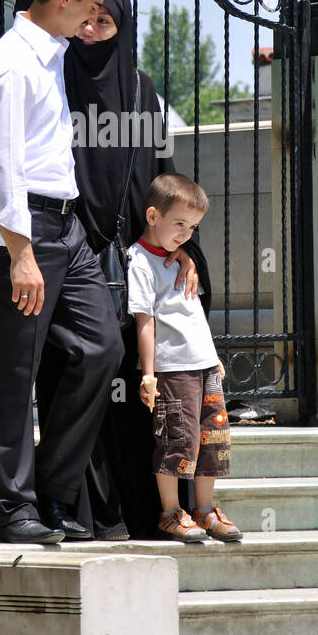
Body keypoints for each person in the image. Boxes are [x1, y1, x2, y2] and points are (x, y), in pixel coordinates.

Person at [0, 0, 124, 545]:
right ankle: (9, 507)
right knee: (13, 370)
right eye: (93, 7)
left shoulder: (49, 55)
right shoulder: (13, 62)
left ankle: (52, 494)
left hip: (67, 227)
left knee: (102, 347)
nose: (94, 20)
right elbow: (2, 166)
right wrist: (20, 253)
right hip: (24, 233)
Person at [34, 0, 213, 539]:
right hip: (68, 252)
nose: (89, 32)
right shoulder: (53, 80)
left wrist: (180, 250)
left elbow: (163, 180)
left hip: (134, 261)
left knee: (141, 383)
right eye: (85, 20)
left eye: (103, 24)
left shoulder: (141, 92)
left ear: (122, 30)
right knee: (78, 372)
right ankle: (77, 508)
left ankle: (152, 509)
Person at [129, 172, 243, 543]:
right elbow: (144, 322)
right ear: (151, 216)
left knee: (212, 440)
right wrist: (149, 373)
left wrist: (212, 357)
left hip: (205, 365)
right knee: (177, 439)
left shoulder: (182, 259)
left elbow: (193, 313)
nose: (185, 233)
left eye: (192, 227)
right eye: (179, 223)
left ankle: (205, 510)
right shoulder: (140, 262)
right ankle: (170, 511)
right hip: (173, 368)